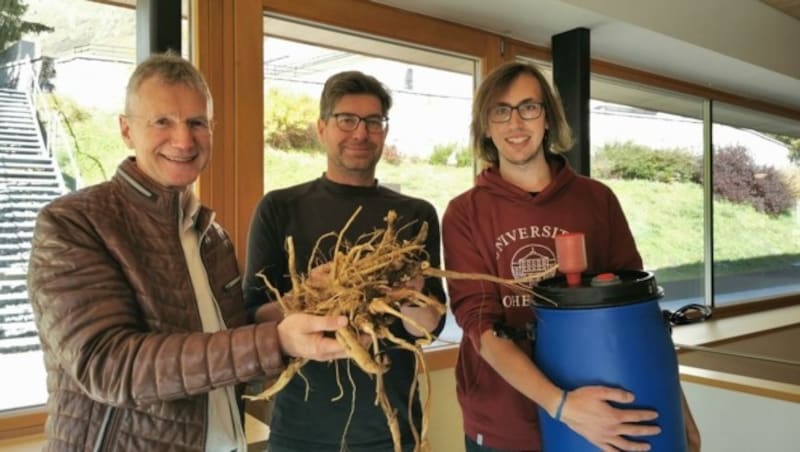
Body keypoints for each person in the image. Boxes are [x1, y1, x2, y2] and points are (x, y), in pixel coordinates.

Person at [26, 52, 351, 452]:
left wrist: (294, 305)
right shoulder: (75, 222)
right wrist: (276, 342)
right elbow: (107, 364)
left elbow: (222, 338)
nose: (183, 140)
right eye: (162, 121)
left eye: (197, 123)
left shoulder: (210, 233)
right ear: (127, 130)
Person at [441, 61, 701, 452]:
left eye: (529, 107)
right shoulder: (465, 213)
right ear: (486, 126)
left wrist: (678, 408)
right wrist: (562, 406)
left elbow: (639, 312)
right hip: (505, 428)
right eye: (501, 110)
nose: (516, 123)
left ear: (548, 118)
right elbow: (481, 328)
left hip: (601, 421)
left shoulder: (596, 200)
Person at [243, 70, 446, 452]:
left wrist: (409, 297)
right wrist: (305, 294)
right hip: (300, 430)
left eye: (373, 121)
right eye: (346, 119)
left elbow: (431, 326)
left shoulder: (416, 214)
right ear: (321, 128)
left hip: (394, 430)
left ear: (384, 132)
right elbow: (253, 315)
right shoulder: (279, 208)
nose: (360, 133)